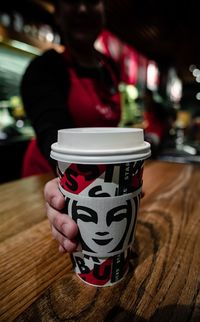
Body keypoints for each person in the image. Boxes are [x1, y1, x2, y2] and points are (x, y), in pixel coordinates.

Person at [20, 0, 121, 253]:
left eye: (93, 1)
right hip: (47, 181)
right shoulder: (45, 68)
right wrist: (73, 180)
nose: (83, 8)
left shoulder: (109, 69)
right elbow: (51, 129)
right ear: (59, 13)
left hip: (100, 179)